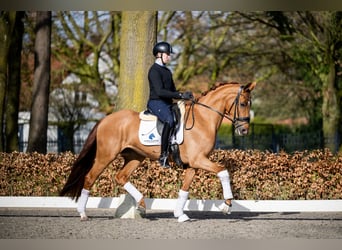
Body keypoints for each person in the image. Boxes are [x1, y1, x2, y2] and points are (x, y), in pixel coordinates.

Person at [147, 41, 193, 168]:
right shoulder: (154, 71)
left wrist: (183, 95)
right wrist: (179, 96)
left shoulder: (167, 71)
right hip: (156, 102)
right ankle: (163, 155)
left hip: (167, 103)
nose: (169, 57)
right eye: (167, 54)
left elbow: (172, 91)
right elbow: (160, 91)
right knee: (170, 119)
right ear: (159, 54)